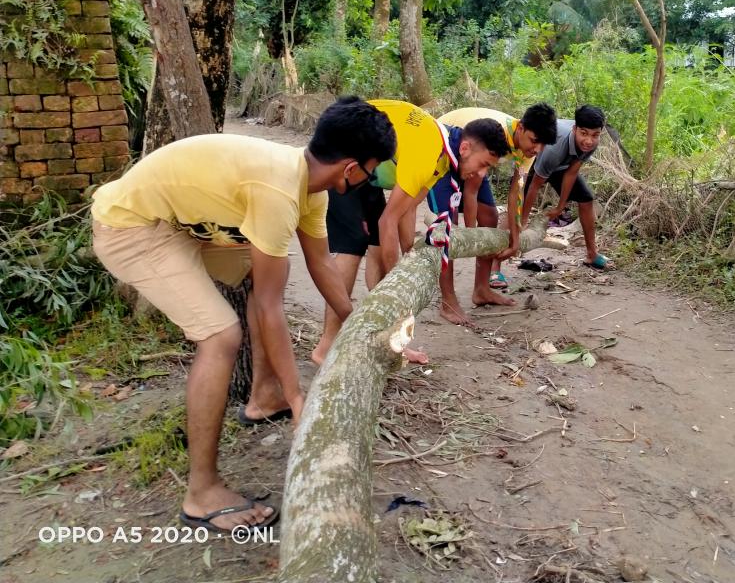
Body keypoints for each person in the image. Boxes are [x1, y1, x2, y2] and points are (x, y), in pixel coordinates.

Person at [90, 97, 396, 531]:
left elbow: (321, 264)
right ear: (351, 169)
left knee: (266, 269)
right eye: (373, 171)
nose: (373, 180)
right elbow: (271, 307)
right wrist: (298, 396)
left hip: (175, 222)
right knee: (221, 336)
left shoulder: (306, 187)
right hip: (131, 226)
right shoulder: (278, 191)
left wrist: (366, 327)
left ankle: (264, 397)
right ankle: (202, 493)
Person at [312, 100, 510, 362]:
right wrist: (399, 279)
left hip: (369, 166)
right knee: (354, 245)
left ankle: (391, 342)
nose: (482, 174)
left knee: (380, 246)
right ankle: (325, 347)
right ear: (464, 148)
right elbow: (388, 221)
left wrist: (408, 253)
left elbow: (408, 208)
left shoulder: (442, 159)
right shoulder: (428, 151)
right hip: (342, 150)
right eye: (483, 164)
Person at [431, 104, 558, 325]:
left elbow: (516, 193)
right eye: (534, 141)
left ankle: (481, 290)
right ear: (521, 128)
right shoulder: (496, 134)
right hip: (447, 146)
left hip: (478, 158)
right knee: (448, 225)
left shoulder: (528, 150)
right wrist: (470, 236)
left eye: (543, 145)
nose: (537, 149)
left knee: (490, 217)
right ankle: (448, 302)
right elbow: (470, 192)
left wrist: (515, 239)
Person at [521, 104, 612, 270]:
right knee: (518, 207)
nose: (589, 140)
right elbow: (535, 185)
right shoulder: (555, 148)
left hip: (561, 166)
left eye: (595, 135)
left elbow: (571, 173)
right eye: (584, 133)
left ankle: (592, 255)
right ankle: (499, 259)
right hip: (534, 161)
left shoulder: (591, 143)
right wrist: (523, 221)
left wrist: (560, 206)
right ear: (575, 129)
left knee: (586, 199)